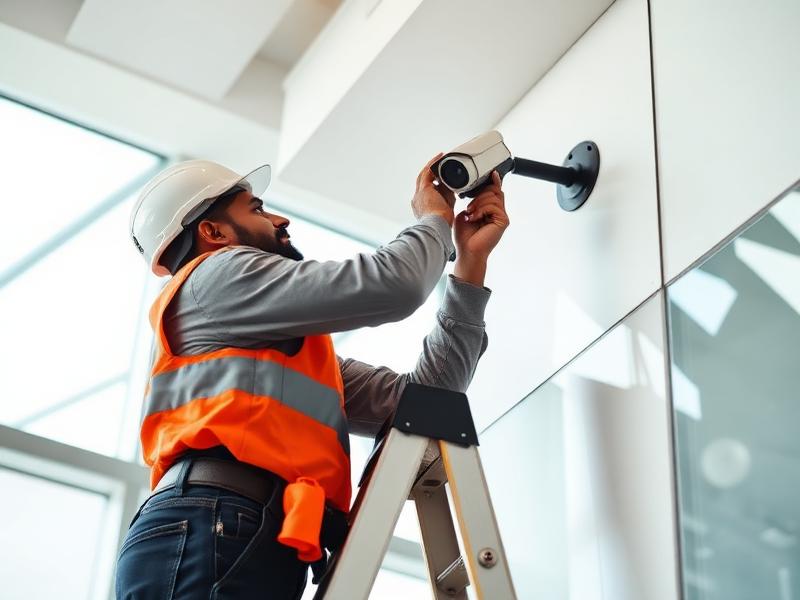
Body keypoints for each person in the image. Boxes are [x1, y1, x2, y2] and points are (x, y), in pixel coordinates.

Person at [116, 153, 509, 599]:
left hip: (243, 529)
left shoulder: (284, 361)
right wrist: (434, 220)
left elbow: (430, 401)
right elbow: (394, 285)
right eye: (257, 209)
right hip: (215, 521)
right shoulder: (214, 275)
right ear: (213, 232)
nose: (280, 219)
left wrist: (469, 266)